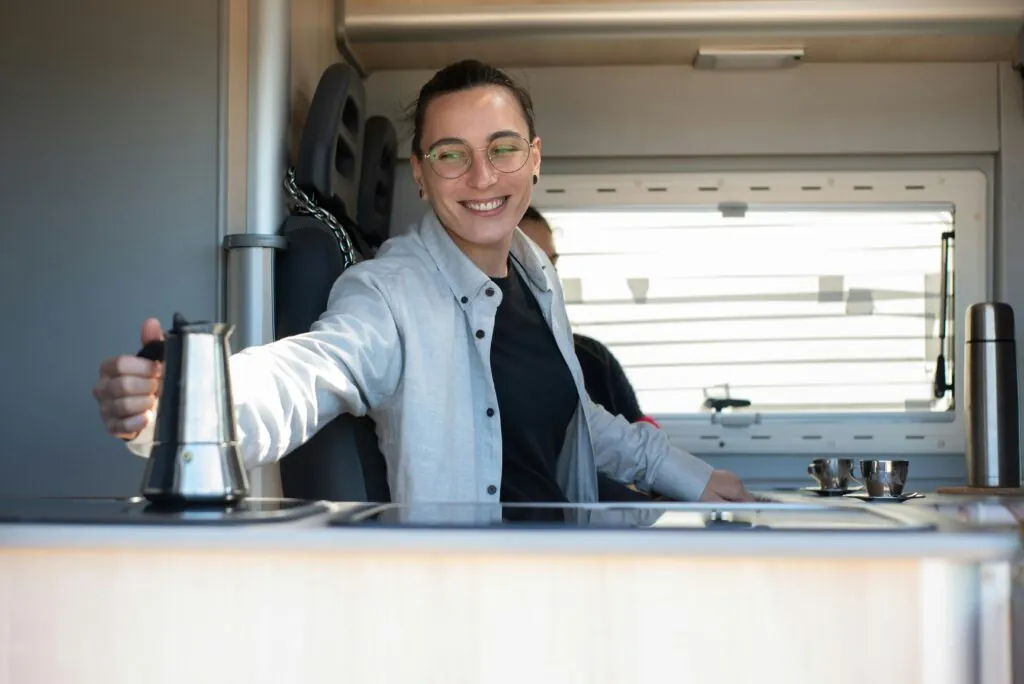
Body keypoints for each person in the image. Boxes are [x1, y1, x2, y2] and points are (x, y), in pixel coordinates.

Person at [93, 59, 753, 507]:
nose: (482, 177)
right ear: (420, 172)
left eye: (502, 149)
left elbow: (580, 419)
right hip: (466, 592)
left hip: (561, 570)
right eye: (450, 155)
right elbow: (306, 374)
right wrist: (181, 406)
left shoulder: (536, 272)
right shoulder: (389, 292)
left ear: (534, 157)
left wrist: (697, 480)